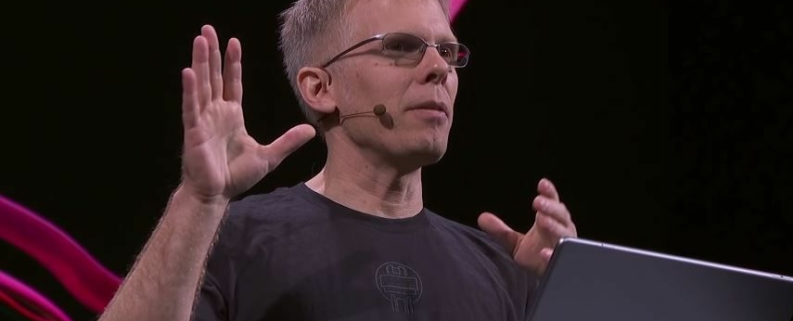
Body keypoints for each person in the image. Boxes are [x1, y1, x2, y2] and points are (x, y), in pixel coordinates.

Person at [97, 0, 577, 320]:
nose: (439, 70)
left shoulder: (500, 269)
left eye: (448, 52)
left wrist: (567, 296)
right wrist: (199, 200)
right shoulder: (230, 238)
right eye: (402, 47)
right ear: (320, 88)